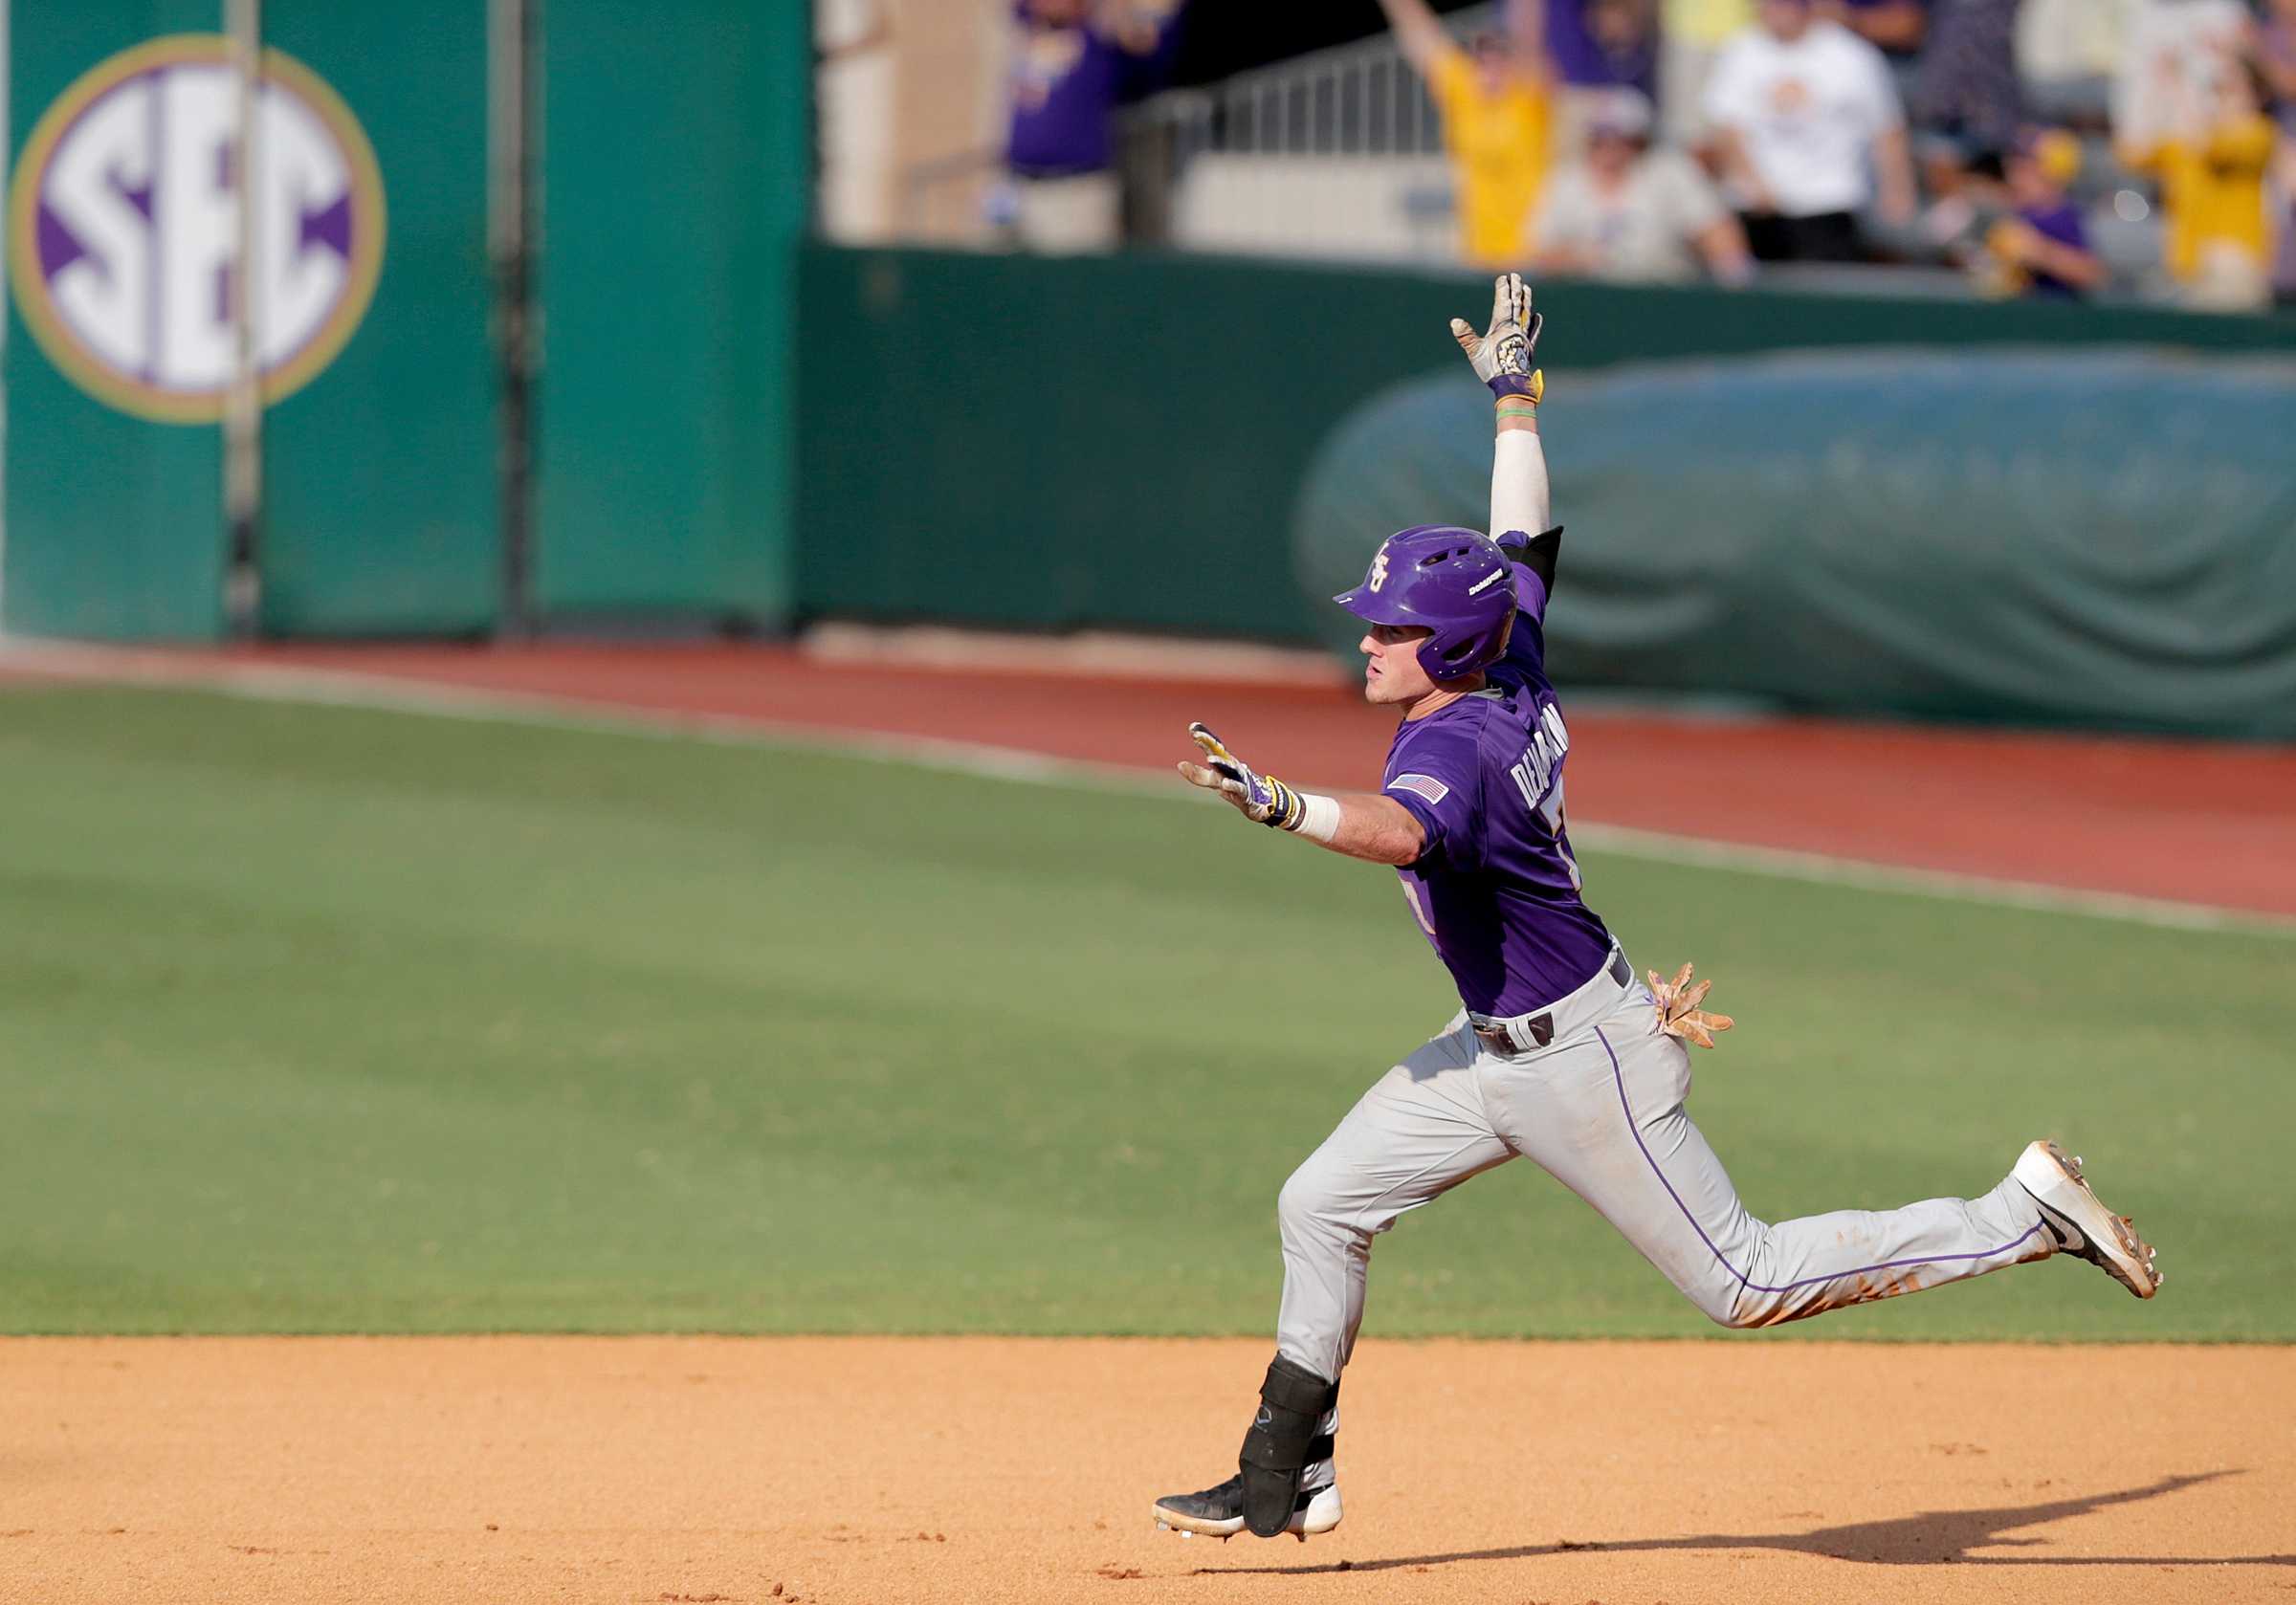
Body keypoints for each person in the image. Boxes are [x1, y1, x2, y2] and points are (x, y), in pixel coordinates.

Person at [1149, 275, 2161, 1546]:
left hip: (1585, 1062)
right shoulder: (1503, 655)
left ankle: (2018, 1215)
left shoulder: (1452, 750)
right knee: (1323, 1200)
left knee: (1742, 1278)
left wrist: (1281, 804)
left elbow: (1401, 831)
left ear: (1443, 646)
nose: (1367, 640)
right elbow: (1524, 541)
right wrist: (1517, 404)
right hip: (1499, 1047)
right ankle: (1280, 1473)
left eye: (1390, 627)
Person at [1704, 0, 1918, 260]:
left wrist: (1896, 191)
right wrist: (1751, 181)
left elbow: (1886, 128)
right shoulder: (1740, 50)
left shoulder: (1850, 55)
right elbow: (1726, 126)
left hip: (1828, 205)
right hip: (1759, 212)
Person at [1377, 0, 1556, 266]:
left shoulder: (1527, 99)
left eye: (1501, 58)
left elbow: (1529, 34)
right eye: (1482, 59)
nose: (1491, 67)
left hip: (1531, 254)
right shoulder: (1465, 96)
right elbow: (1421, 36)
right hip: (1477, 251)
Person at [997, 0, 1181, 253]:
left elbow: (1151, 47)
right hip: (1016, 184)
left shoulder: (1100, 39)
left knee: (1071, 283)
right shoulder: (1032, 30)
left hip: (1075, 190)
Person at [1529, 88, 1755, 280]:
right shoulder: (1566, 182)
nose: (1609, 150)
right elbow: (1540, 253)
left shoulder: (1668, 173)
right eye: (1600, 140)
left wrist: (1733, 278)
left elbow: (1717, 233)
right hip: (1588, 304)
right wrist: (1579, 260)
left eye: (1621, 140)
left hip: (1663, 295)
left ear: (1640, 142)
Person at [2123, 49, 2277, 309]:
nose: (2220, 97)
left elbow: (2215, 148)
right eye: (2215, 88)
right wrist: (2156, 93)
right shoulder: (2193, 140)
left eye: (2229, 88)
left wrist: (2183, 92)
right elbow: (2135, 153)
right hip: (2186, 263)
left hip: (2232, 259)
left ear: (2257, 95)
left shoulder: (2258, 133)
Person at [1978, 127, 2105, 297]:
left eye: (2027, 170)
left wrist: (2039, 252)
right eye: (2014, 167)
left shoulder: (2063, 217)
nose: (2015, 177)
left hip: (2054, 314)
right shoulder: (2012, 212)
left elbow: (2091, 274)